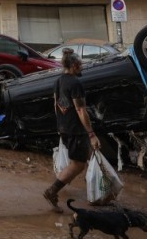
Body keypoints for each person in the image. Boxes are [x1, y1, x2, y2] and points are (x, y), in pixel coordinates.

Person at [43, 48, 100, 213]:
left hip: (64, 128)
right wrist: (92, 134)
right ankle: (52, 191)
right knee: (78, 165)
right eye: (80, 65)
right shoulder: (75, 83)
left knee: (84, 157)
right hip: (75, 130)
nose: (82, 67)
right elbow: (81, 110)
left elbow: (56, 104)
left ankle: (95, 188)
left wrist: (60, 126)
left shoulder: (58, 81)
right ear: (74, 65)